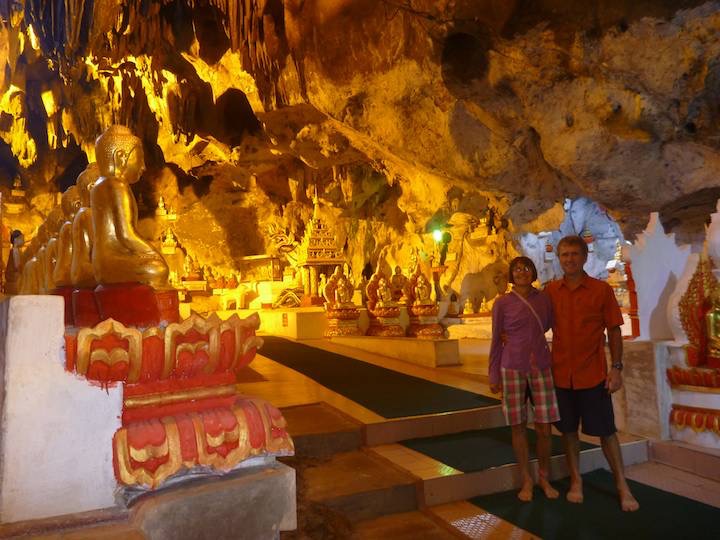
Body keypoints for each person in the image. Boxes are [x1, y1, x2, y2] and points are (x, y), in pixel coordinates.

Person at [546, 235, 639, 511]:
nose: (570, 259)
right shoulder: (551, 291)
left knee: (607, 432)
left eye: (575, 254)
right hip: (561, 374)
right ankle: (576, 481)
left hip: (593, 374)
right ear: (559, 259)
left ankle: (622, 485)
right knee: (568, 432)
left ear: (585, 257)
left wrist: (617, 368)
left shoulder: (601, 290)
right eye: (564, 255)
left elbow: (613, 330)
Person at [488, 256, 559, 502]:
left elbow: (548, 325)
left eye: (526, 268)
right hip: (512, 367)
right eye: (517, 269)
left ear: (533, 272)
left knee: (545, 426)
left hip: (540, 364)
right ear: (511, 274)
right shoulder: (502, 303)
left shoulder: (544, 299)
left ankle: (543, 476)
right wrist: (493, 373)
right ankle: (526, 480)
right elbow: (496, 339)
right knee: (518, 426)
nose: (521, 273)